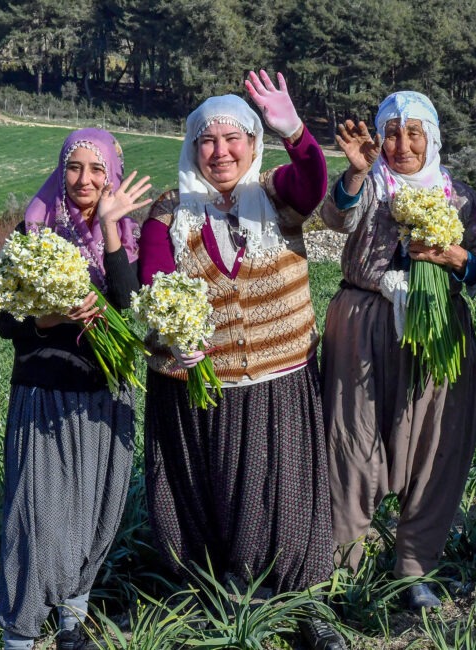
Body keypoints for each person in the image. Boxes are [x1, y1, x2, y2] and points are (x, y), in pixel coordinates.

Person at [136, 71, 346, 649]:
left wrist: (295, 130)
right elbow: (155, 285)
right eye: (208, 141)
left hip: (282, 376)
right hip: (209, 382)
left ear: (254, 145)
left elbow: (313, 181)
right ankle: (225, 600)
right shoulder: (170, 211)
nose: (221, 152)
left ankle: (306, 606)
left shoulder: (277, 196)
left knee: (291, 495)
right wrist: (172, 338)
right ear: (192, 147)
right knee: (220, 493)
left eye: (234, 140)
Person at [320, 91, 476, 610]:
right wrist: (355, 174)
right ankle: (342, 568)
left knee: (434, 447)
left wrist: (454, 256)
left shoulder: (458, 195)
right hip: (363, 327)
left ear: (433, 139)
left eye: (414, 133)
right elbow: (336, 219)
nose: (402, 145)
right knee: (351, 443)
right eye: (392, 134)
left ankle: (415, 568)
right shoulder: (369, 187)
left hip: (438, 331)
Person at [0, 128, 152, 650]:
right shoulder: (36, 231)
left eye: (96, 169)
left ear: (111, 174)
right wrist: (46, 319)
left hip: (107, 395)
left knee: (96, 513)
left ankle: (71, 625)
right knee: (38, 521)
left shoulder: (127, 233)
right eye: (74, 168)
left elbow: (133, 313)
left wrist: (109, 229)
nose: (84, 179)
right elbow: (4, 321)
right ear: (60, 172)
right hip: (46, 393)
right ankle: (18, 634)